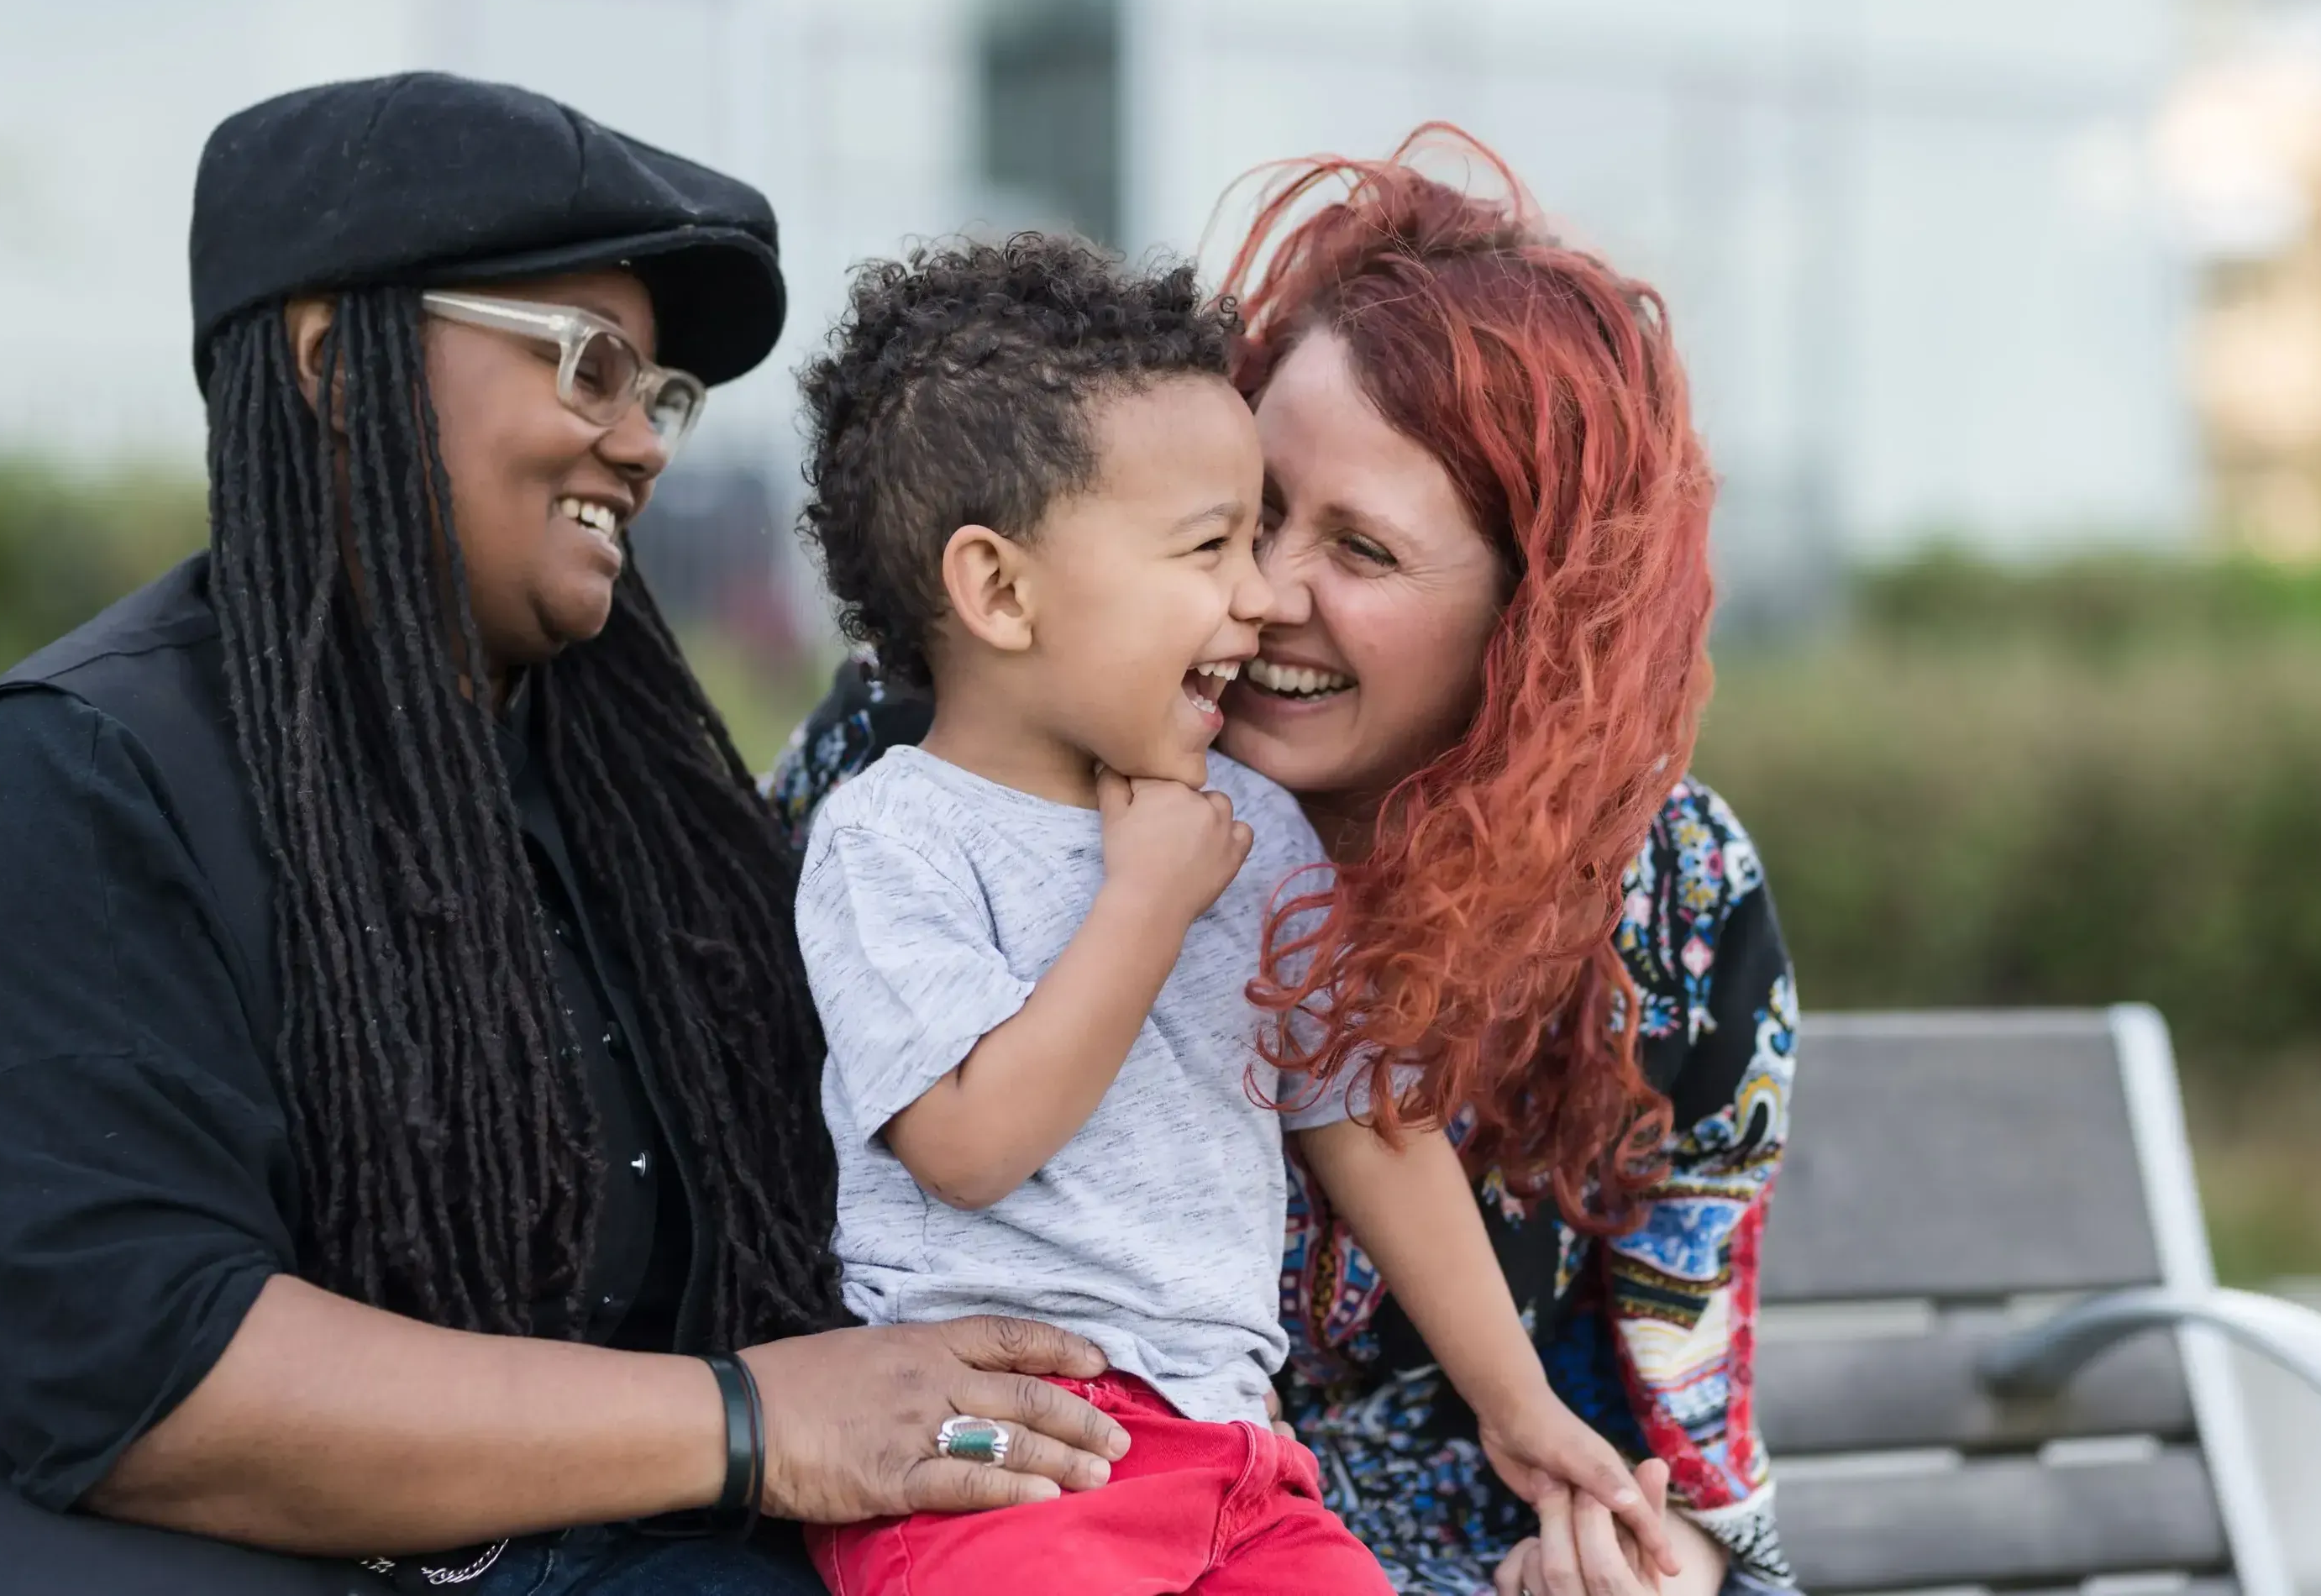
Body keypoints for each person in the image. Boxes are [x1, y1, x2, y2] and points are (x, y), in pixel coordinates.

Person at [0, 73, 1128, 1596]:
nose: (643, 443)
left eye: (661, 393)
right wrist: (750, 1418)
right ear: (333, 360)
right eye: (590, 364)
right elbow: (154, 1379)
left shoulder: (637, 802)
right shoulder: (66, 787)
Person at [768, 129, 1800, 1596]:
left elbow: (1380, 1129)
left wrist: (1596, 1494)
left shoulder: (1639, 887)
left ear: (1532, 618)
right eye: (1241, 527)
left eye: (1361, 550)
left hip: (1269, 1494)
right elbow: (940, 1149)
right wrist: (1145, 900)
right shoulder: (899, 786)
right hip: (1008, 1470)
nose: (1262, 596)